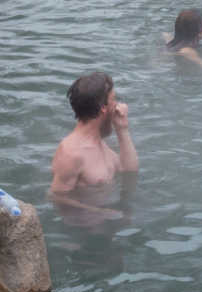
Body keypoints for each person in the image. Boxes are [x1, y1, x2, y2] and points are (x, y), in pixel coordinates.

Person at [49, 71, 138, 212]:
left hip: (107, 221)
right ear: (103, 108)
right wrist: (99, 212)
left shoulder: (100, 144)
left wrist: (122, 130)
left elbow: (129, 172)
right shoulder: (71, 153)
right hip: (83, 228)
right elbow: (56, 197)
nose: (118, 105)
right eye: (114, 100)